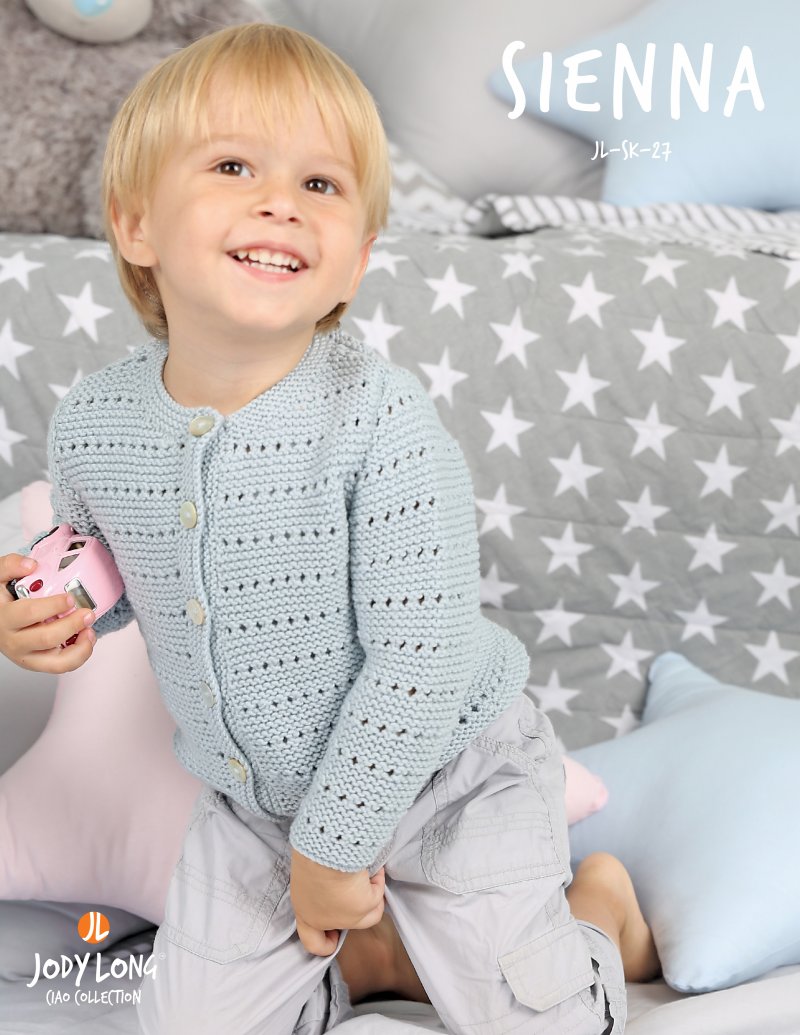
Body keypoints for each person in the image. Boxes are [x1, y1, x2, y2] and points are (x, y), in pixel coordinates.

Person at [0, 22, 659, 1035]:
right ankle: (385, 955)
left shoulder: (380, 424)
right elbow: (114, 577)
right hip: (256, 804)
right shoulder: (96, 423)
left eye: (320, 184)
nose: (281, 202)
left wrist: (334, 852)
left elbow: (422, 658)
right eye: (233, 166)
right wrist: (46, 620)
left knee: (539, 1022)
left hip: (447, 775)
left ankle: (597, 910)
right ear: (134, 225)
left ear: (355, 261)